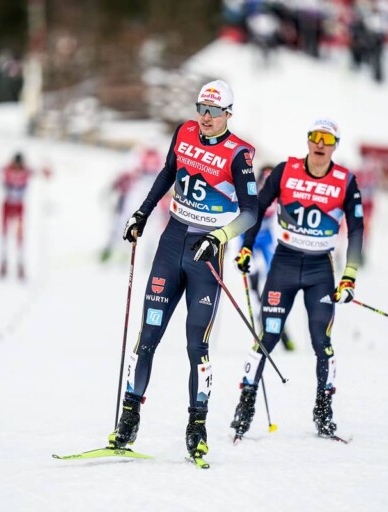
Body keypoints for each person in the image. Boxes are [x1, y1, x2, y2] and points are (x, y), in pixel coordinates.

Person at [109, 79, 258, 464]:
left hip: (206, 253)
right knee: (148, 335)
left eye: (214, 111)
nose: (206, 117)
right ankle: (128, 419)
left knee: (197, 345)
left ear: (228, 114)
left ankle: (197, 427)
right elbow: (167, 172)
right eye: (201, 108)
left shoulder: (238, 155)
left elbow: (251, 213)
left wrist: (219, 237)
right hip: (171, 242)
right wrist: (142, 213)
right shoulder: (184, 133)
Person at [231, 117, 364, 440]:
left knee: (321, 340)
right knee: (268, 336)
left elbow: (357, 229)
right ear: (307, 140)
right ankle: (245, 405)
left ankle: (324, 412)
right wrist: (246, 248)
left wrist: (349, 276)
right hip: (285, 264)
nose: (320, 144)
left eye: (327, 139)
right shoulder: (285, 171)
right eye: (315, 137)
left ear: (335, 146)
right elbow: (257, 208)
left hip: (320, 269)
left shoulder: (345, 181)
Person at [243, 163, 296, 351]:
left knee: (275, 282)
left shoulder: (278, 194)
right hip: (248, 240)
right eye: (265, 178)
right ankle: (262, 328)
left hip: (266, 240)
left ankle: (280, 328)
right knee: (254, 285)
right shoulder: (252, 192)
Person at [0, 152, 50, 280]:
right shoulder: (7, 169)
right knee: (4, 234)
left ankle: (20, 264)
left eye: (19, 164)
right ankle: (3, 263)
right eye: (15, 164)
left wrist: (46, 167)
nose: (17, 166)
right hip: (7, 206)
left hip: (19, 207)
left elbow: (45, 174)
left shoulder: (26, 171)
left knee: (19, 235)